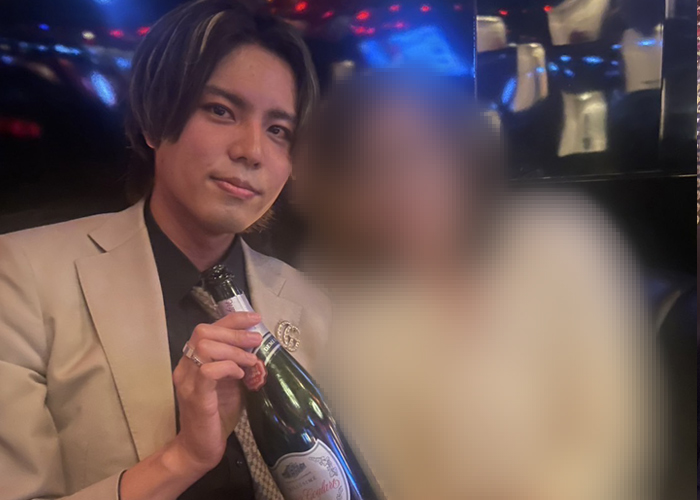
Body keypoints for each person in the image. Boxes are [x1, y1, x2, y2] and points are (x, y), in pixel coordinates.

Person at [0, 1, 326, 499]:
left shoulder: (311, 303)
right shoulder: (24, 277)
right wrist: (183, 458)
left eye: (278, 130)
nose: (252, 151)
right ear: (153, 122)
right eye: (221, 111)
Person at [292, 72, 664, 500]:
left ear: (464, 155)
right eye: (369, 169)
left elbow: (615, 427)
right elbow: (383, 478)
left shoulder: (559, 242)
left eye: (417, 154)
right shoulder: (352, 322)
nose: (401, 186)